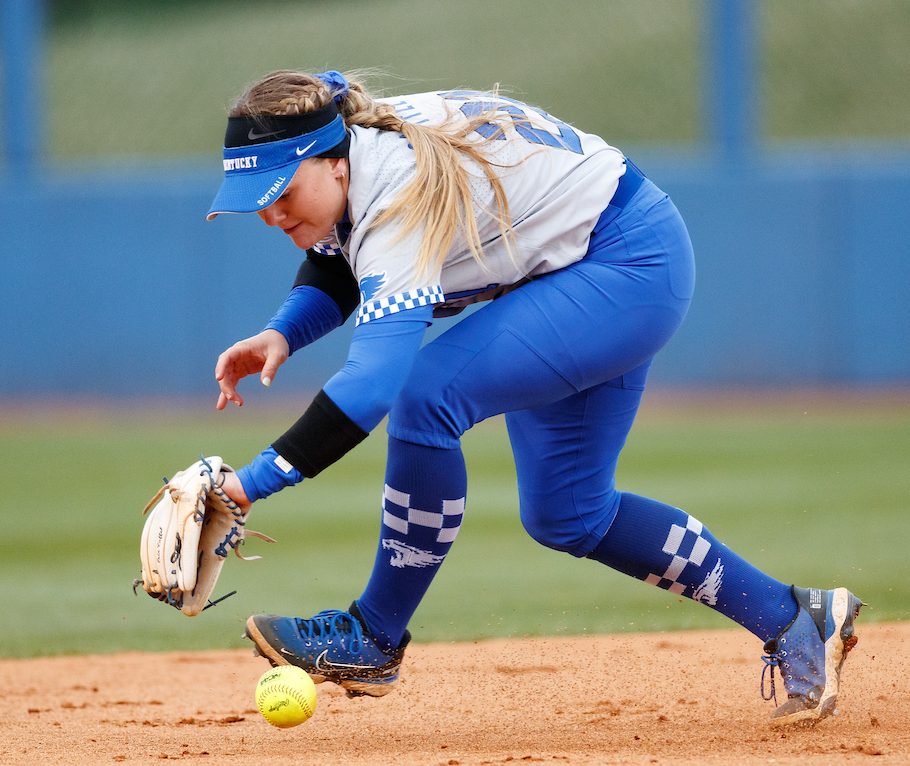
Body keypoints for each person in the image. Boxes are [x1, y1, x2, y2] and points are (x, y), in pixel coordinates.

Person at [203, 69, 862, 728]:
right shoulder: (359, 149)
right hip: (582, 259)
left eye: (280, 191)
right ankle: (796, 619)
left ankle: (372, 637)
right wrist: (285, 331)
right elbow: (336, 253)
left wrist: (246, 487)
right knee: (568, 513)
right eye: (257, 200)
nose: (271, 212)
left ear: (331, 161)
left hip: (625, 264)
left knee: (425, 397)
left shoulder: (394, 192)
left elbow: (373, 383)